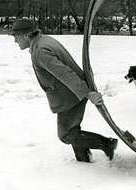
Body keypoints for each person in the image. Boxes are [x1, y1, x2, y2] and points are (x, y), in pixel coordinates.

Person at [10, 18, 117, 163]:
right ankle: (83, 159)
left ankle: (107, 144)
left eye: (16, 36)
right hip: (71, 92)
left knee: (66, 134)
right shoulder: (43, 41)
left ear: (26, 35)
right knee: (72, 129)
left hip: (70, 96)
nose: (15, 41)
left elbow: (65, 74)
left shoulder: (41, 51)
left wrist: (87, 93)